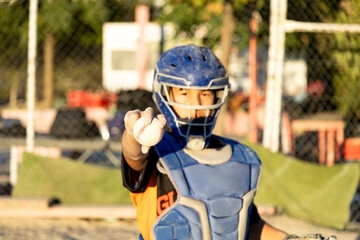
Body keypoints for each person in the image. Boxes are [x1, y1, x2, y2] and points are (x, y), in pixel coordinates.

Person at [121, 44, 288, 240]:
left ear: (218, 95)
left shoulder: (239, 158)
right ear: (164, 95)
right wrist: (133, 134)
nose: (197, 105)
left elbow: (250, 226)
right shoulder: (156, 151)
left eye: (205, 94)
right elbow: (134, 155)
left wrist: (289, 238)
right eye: (185, 94)